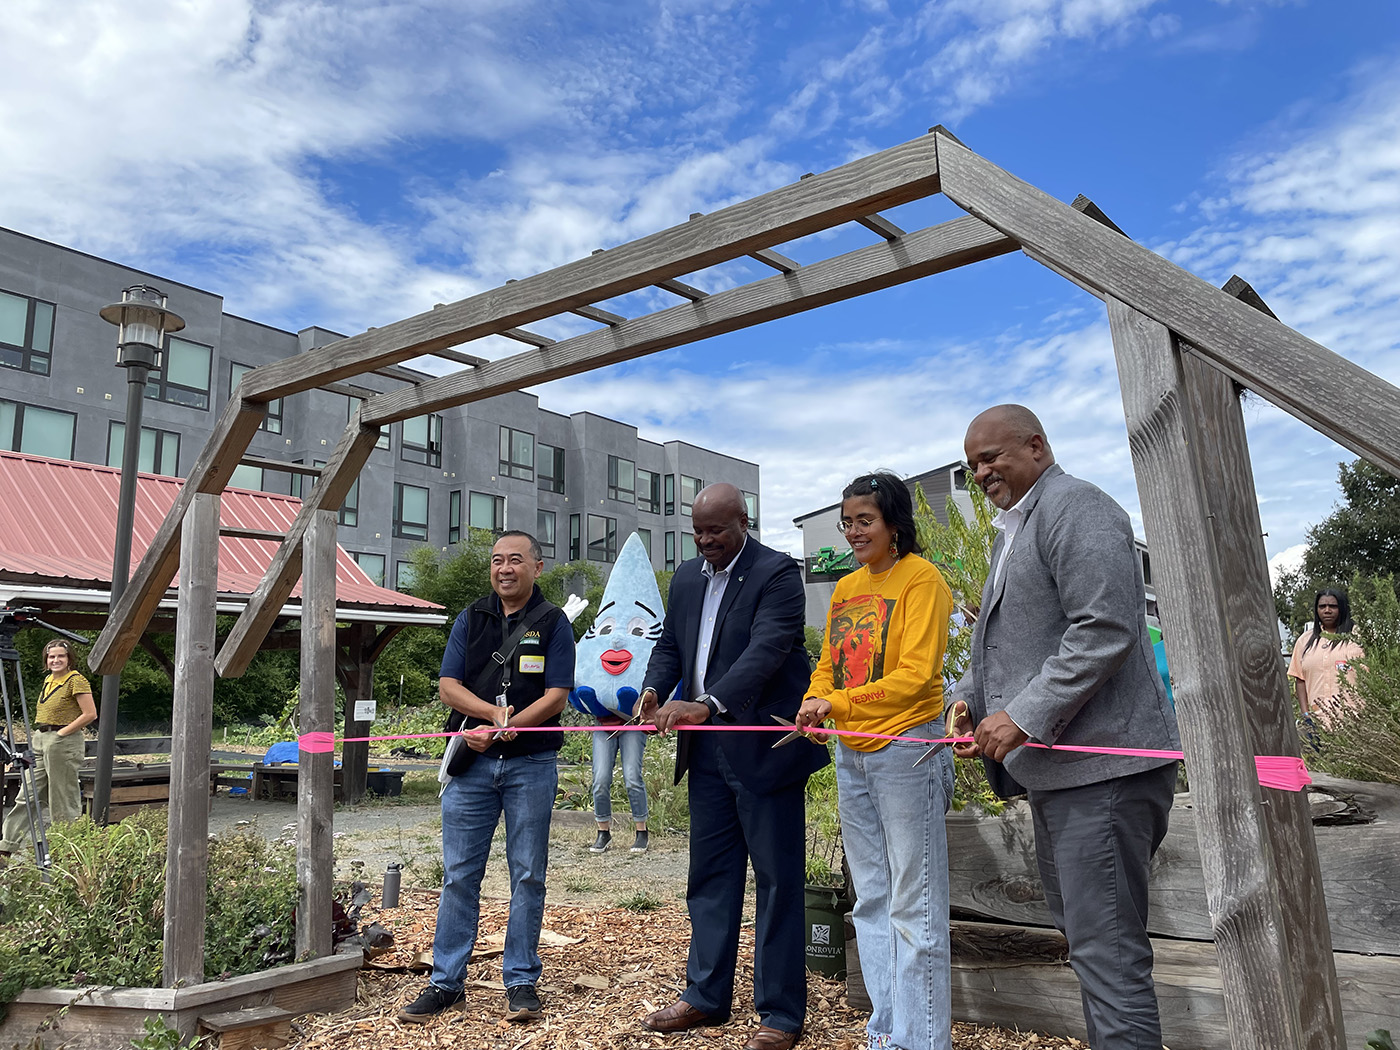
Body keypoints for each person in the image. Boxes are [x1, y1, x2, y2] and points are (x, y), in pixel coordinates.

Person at [949, 405, 1180, 1050]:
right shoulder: (1014, 529)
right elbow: (999, 644)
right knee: (1093, 945)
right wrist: (967, 701)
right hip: (1068, 775)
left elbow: (1104, 627)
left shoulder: (1078, 508)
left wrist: (1022, 713)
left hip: (1103, 772)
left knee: (1107, 953)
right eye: (973, 464)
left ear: (1038, 446)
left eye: (992, 456)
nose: (982, 471)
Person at [638, 483, 828, 1050]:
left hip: (763, 749)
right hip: (706, 755)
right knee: (711, 877)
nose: (704, 541)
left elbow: (767, 651)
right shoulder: (687, 576)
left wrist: (708, 703)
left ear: (743, 522)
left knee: (776, 882)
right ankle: (705, 996)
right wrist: (653, 689)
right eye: (697, 531)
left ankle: (780, 1013)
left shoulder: (776, 573)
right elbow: (671, 644)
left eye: (715, 531)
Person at [794, 473, 956, 1050]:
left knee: (915, 905)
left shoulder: (923, 581)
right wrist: (816, 705)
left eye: (865, 520)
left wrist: (834, 702)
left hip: (907, 748)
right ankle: (886, 1031)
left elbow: (916, 679)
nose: (854, 531)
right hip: (852, 754)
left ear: (895, 524)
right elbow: (829, 664)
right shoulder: (846, 588)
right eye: (848, 521)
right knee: (871, 898)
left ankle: (923, 1040)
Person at [398, 531, 575, 1025]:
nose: (504, 569)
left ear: (537, 567)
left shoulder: (555, 622)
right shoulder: (470, 617)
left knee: (528, 874)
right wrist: (487, 720)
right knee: (458, 876)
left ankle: (520, 981)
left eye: (515, 560)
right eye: (496, 561)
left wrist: (506, 729)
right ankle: (445, 982)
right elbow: (447, 686)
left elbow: (557, 695)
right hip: (470, 764)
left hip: (532, 764)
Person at [0, 639, 97, 862]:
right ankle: (7, 845)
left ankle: (68, 847)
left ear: (69, 658)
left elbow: (90, 714)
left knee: (61, 796)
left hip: (63, 740)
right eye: (51, 656)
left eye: (60, 656)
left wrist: (62, 734)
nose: (55, 660)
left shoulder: (76, 680)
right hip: (41, 738)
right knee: (28, 793)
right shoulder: (49, 679)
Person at [1288, 588, 1365, 730]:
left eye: (1333, 606)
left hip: (1354, 723)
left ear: (1342, 608)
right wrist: (1306, 714)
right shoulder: (1304, 641)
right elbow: (1300, 680)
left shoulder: (1359, 639)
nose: (1327, 610)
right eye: (1322, 606)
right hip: (1318, 724)